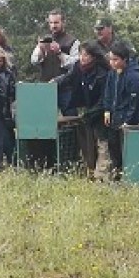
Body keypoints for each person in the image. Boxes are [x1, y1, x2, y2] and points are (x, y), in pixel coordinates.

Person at [53, 41, 109, 180]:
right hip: (88, 109)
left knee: (103, 143)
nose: (82, 58)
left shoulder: (103, 73)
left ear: (94, 57)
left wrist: (92, 113)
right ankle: (90, 171)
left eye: (86, 55)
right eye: (81, 54)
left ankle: (101, 176)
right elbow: (67, 78)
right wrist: (53, 82)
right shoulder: (78, 67)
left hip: (102, 111)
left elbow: (105, 98)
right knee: (89, 143)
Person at [103, 40, 139, 180]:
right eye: (111, 59)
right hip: (114, 118)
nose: (112, 63)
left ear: (124, 59)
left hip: (129, 122)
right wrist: (107, 110)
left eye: (116, 60)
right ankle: (117, 176)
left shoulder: (134, 76)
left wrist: (129, 120)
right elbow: (108, 93)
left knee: (127, 151)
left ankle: (129, 177)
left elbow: (135, 101)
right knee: (114, 150)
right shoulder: (112, 74)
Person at [30, 9, 80, 116]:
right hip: (46, 87)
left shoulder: (73, 41)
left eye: (56, 22)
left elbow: (76, 64)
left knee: (71, 121)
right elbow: (34, 61)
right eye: (51, 23)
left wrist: (59, 53)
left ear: (63, 22)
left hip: (66, 88)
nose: (53, 26)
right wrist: (41, 51)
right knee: (45, 120)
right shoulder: (44, 40)